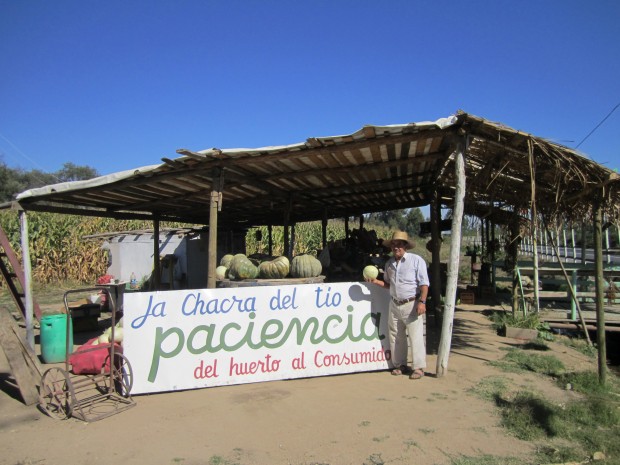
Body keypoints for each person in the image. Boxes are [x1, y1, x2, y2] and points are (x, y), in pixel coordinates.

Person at [367, 231, 429, 380]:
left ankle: (419, 367)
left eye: (399, 244)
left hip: (411, 303)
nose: (396, 247)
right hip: (394, 303)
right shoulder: (389, 264)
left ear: (405, 246)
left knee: (415, 336)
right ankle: (400, 364)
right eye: (394, 244)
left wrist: (422, 302)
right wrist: (376, 282)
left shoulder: (416, 260)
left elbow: (424, 283)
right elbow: (389, 284)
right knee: (396, 336)